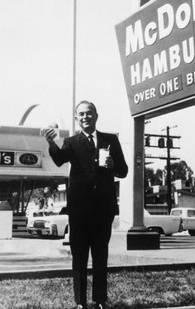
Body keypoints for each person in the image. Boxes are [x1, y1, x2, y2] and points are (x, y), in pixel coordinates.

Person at [44, 101, 128, 309]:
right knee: (79, 255)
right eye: (81, 114)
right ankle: (80, 302)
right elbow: (59, 160)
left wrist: (113, 166)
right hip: (79, 209)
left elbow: (123, 171)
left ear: (96, 116)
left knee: (101, 254)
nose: (85, 117)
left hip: (103, 208)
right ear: (76, 118)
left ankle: (100, 300)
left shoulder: (110, 140)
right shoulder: (72, 142)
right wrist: (51, 144)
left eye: (89, 114)